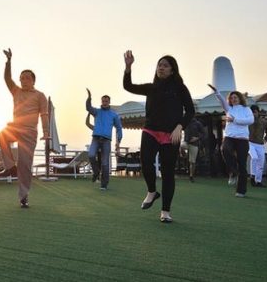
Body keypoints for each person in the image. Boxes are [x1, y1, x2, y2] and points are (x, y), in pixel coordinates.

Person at [123, 50, 194, 223]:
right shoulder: (151, 88)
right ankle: (152, 191)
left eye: (165, 65)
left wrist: (180, 126)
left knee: (168, 173)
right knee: (145, 161)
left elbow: (191, 110)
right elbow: (128, 86)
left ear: (172, 70)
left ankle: (165, 211)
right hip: (150, 131)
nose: (161, 68)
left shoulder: (180, 88)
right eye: (159, 65)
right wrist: (128, 67)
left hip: (171, 135)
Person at [0, 48, 49, 208]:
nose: (23, 80)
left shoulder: (40, 96)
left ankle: (23, 197)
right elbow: (7, 79)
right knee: (2, 135)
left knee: (25, 166)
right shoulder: (16, 92)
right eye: (21, 78)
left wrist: (46, 132)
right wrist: (8, 62)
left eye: (27, 78)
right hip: (15, 128)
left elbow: (44, 115)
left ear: (33, 80)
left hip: (29, 133)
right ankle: (10, 166)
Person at [208, 84, 254, 197]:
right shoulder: (229, 109)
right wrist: (216, 92)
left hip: (242, 139)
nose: (233, 99)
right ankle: (233, 172)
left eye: (235, 97)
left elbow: (251, 120)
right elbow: (222, 101)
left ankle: (241, 191)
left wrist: (235, 120)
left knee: (242, 164)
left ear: (240, 98)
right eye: (231, 98)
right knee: (224, 149)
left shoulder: (246, 109)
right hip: (229, 137)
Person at [85, 90, 123, 190]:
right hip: (96, 138)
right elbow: (88, 107)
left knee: (105, 163)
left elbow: (119, 128)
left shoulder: (114, 115)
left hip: (106, 140)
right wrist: (89, 98)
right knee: (91, 155)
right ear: (101, 101)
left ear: (109, 102)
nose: (104, 103)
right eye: (103, 101)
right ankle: (96, 172)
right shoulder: (97, 112)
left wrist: (118, 141)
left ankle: (104, 185)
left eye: (106, 101)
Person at [248, 104, 267, 188]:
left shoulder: (264, 121)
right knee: (254, 158)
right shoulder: (248, 120)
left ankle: (258, 181)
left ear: (258, 112)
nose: (253, 114)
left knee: (260, 163)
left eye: (255, 112)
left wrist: (265, 139)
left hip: (260, 144)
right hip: (250, 143)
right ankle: (252, 177)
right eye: (252, 112)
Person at [183, 117, 206, 183]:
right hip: (186, 142)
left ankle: (191, 176)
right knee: (181, 146)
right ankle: (184, 155)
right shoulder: (185, 122)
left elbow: (204, 133)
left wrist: (197, 138)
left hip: (194, 144)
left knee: (192, 162)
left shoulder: (198, 123)